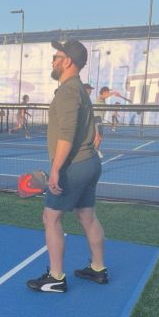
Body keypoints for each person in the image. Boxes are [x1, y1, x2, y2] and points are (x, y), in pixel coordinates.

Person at [27, 40, 107, 293]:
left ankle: (56, 277)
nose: (52, 60)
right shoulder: (80, 90)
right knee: (86, 215)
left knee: (51, 217)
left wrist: (55, 169)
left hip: (74, 165)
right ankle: (97, 269)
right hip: (90, 163)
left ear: (67, 61)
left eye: (56, 56)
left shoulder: (68, 92)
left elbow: (67, 134)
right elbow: (92, 129)